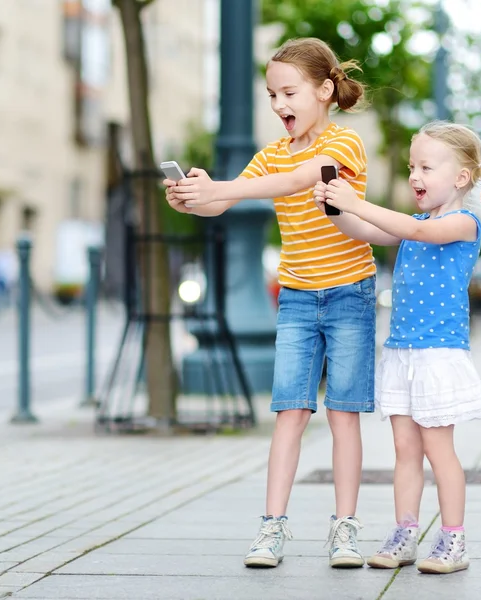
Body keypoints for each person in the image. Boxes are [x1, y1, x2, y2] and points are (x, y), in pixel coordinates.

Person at [164, 37, 377, 569]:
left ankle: (345, 530)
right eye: (271, 95)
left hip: (351, 293)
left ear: (325, 90)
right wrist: (197, 197)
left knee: (345, 415)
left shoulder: (344, 144)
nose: (280, 105)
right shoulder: (270, 156)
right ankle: (271, 528)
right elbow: (228, 202)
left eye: (289, 92)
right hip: (299, 300)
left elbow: (303, 179)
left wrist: (226, 190)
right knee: (289, 413)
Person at [313, 120, 481, 574]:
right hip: (402, 352)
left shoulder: (461, 223)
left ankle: (453, 540)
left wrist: (358, 201)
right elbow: (365, 231)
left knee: (438, 450)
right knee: (404, 450)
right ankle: (405, 531)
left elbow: (414, 231)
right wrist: (335, 207)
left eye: (426, 166)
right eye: (412, 166)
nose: (414, 176)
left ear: (461, 178)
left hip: (437, 355)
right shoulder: (416, 223)